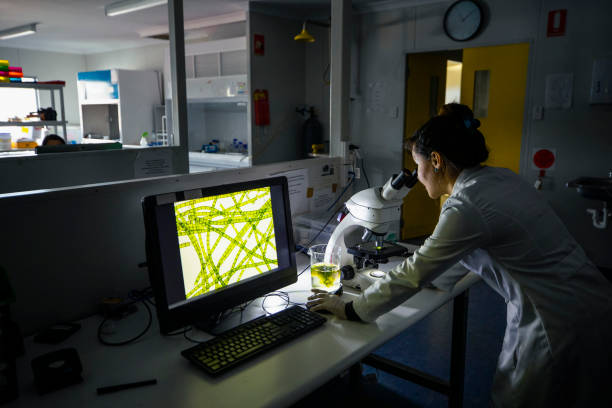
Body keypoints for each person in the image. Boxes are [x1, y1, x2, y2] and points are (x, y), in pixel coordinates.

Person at [307, 104, 612, 407]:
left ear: (436, 160)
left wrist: (350, 308)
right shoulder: (498, 179)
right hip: (583, 298)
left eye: (418, 165)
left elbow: (415, 275)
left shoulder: (467, 205)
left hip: (558, 319)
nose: (418, 175)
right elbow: (444, 268)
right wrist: (402, 275)